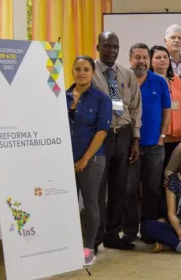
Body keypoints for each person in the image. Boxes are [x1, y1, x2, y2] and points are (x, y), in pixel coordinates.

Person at [93, 31, 141, 252]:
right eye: (106, 46)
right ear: (98, 47)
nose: (111, 50)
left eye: (115, 46)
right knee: (97, 189)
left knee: (119, 188)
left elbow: (135, 108)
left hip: (123, 134)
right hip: (100, 137)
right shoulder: (89, 71)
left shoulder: (126, 74)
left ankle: (113, 234)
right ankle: (94, 236)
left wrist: (135, 139)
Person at [123, 43, 171, 244]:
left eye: (144, 57)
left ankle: (149, 229)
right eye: (137, 57)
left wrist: (161, 137)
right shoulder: (122, 81)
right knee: (129, 189)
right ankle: (130, 231)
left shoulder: (159, 82)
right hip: (128, 146)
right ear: (130, 59)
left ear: (149, 60)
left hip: (154, 147)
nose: (141, 61)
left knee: (152, 190)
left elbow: (167, 110)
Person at [67, 56, 112, 265]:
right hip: (63, 159)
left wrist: (85, 158)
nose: (81, 73)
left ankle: (88, 247)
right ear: (72, 71)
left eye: (86, 69)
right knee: (66, 204)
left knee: (91, 202)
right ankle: (67, 245)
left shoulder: (102, 99)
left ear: (92, 73)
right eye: (78, 69)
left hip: (92, 159)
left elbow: (102, 131)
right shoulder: (61, 97)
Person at [149, 45, 181, 171]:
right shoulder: (148, 81)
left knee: (175, 174)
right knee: (158, 175)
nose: (162, 60)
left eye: (165, 57)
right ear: (151, 61)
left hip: (179, 138)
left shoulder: (177, 80)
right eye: (158, 57)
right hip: (158, 139)